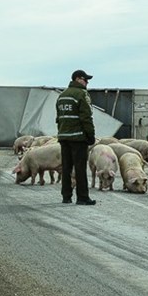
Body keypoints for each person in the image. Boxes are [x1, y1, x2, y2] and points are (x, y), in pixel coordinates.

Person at [55, 69, 96, 205]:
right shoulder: (82, 94)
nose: (87, 83)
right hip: (78, 138)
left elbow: (59, 118)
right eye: (85, 80)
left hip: (63, 137)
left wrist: (62, 133)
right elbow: (86, 117)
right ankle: (82, 197)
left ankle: (66, 196)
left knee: (66, 167)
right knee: (79, 168)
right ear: (78, 79)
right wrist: (90, 136)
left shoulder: (62, 96)